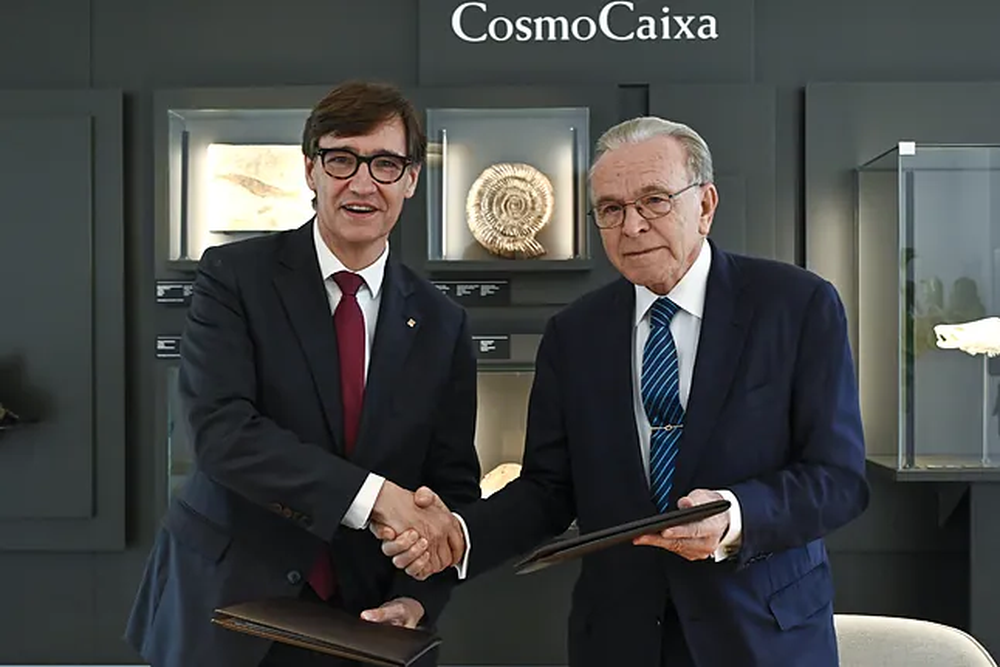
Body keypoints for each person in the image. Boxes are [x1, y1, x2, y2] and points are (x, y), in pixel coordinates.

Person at [377, 116, 870, 666]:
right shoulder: (574, 333)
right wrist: (460, 534)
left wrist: (734, 516)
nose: (631, 225)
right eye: (611, 209)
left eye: (654, 201)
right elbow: (547, 490)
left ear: (705, 205)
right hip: (619, 639)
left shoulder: (797, 305)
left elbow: (838, 478)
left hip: (761, 635)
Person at [125, 80, 479, 667]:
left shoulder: (443, 322)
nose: (362, 183)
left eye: (385, 164)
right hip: (225, 605)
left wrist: (417, 597)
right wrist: (373, 498)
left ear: (412, 179)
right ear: (310, 169)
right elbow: (222, 433)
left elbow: (451, 487)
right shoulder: (234, 276)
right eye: (342, 159)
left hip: (363, 620)